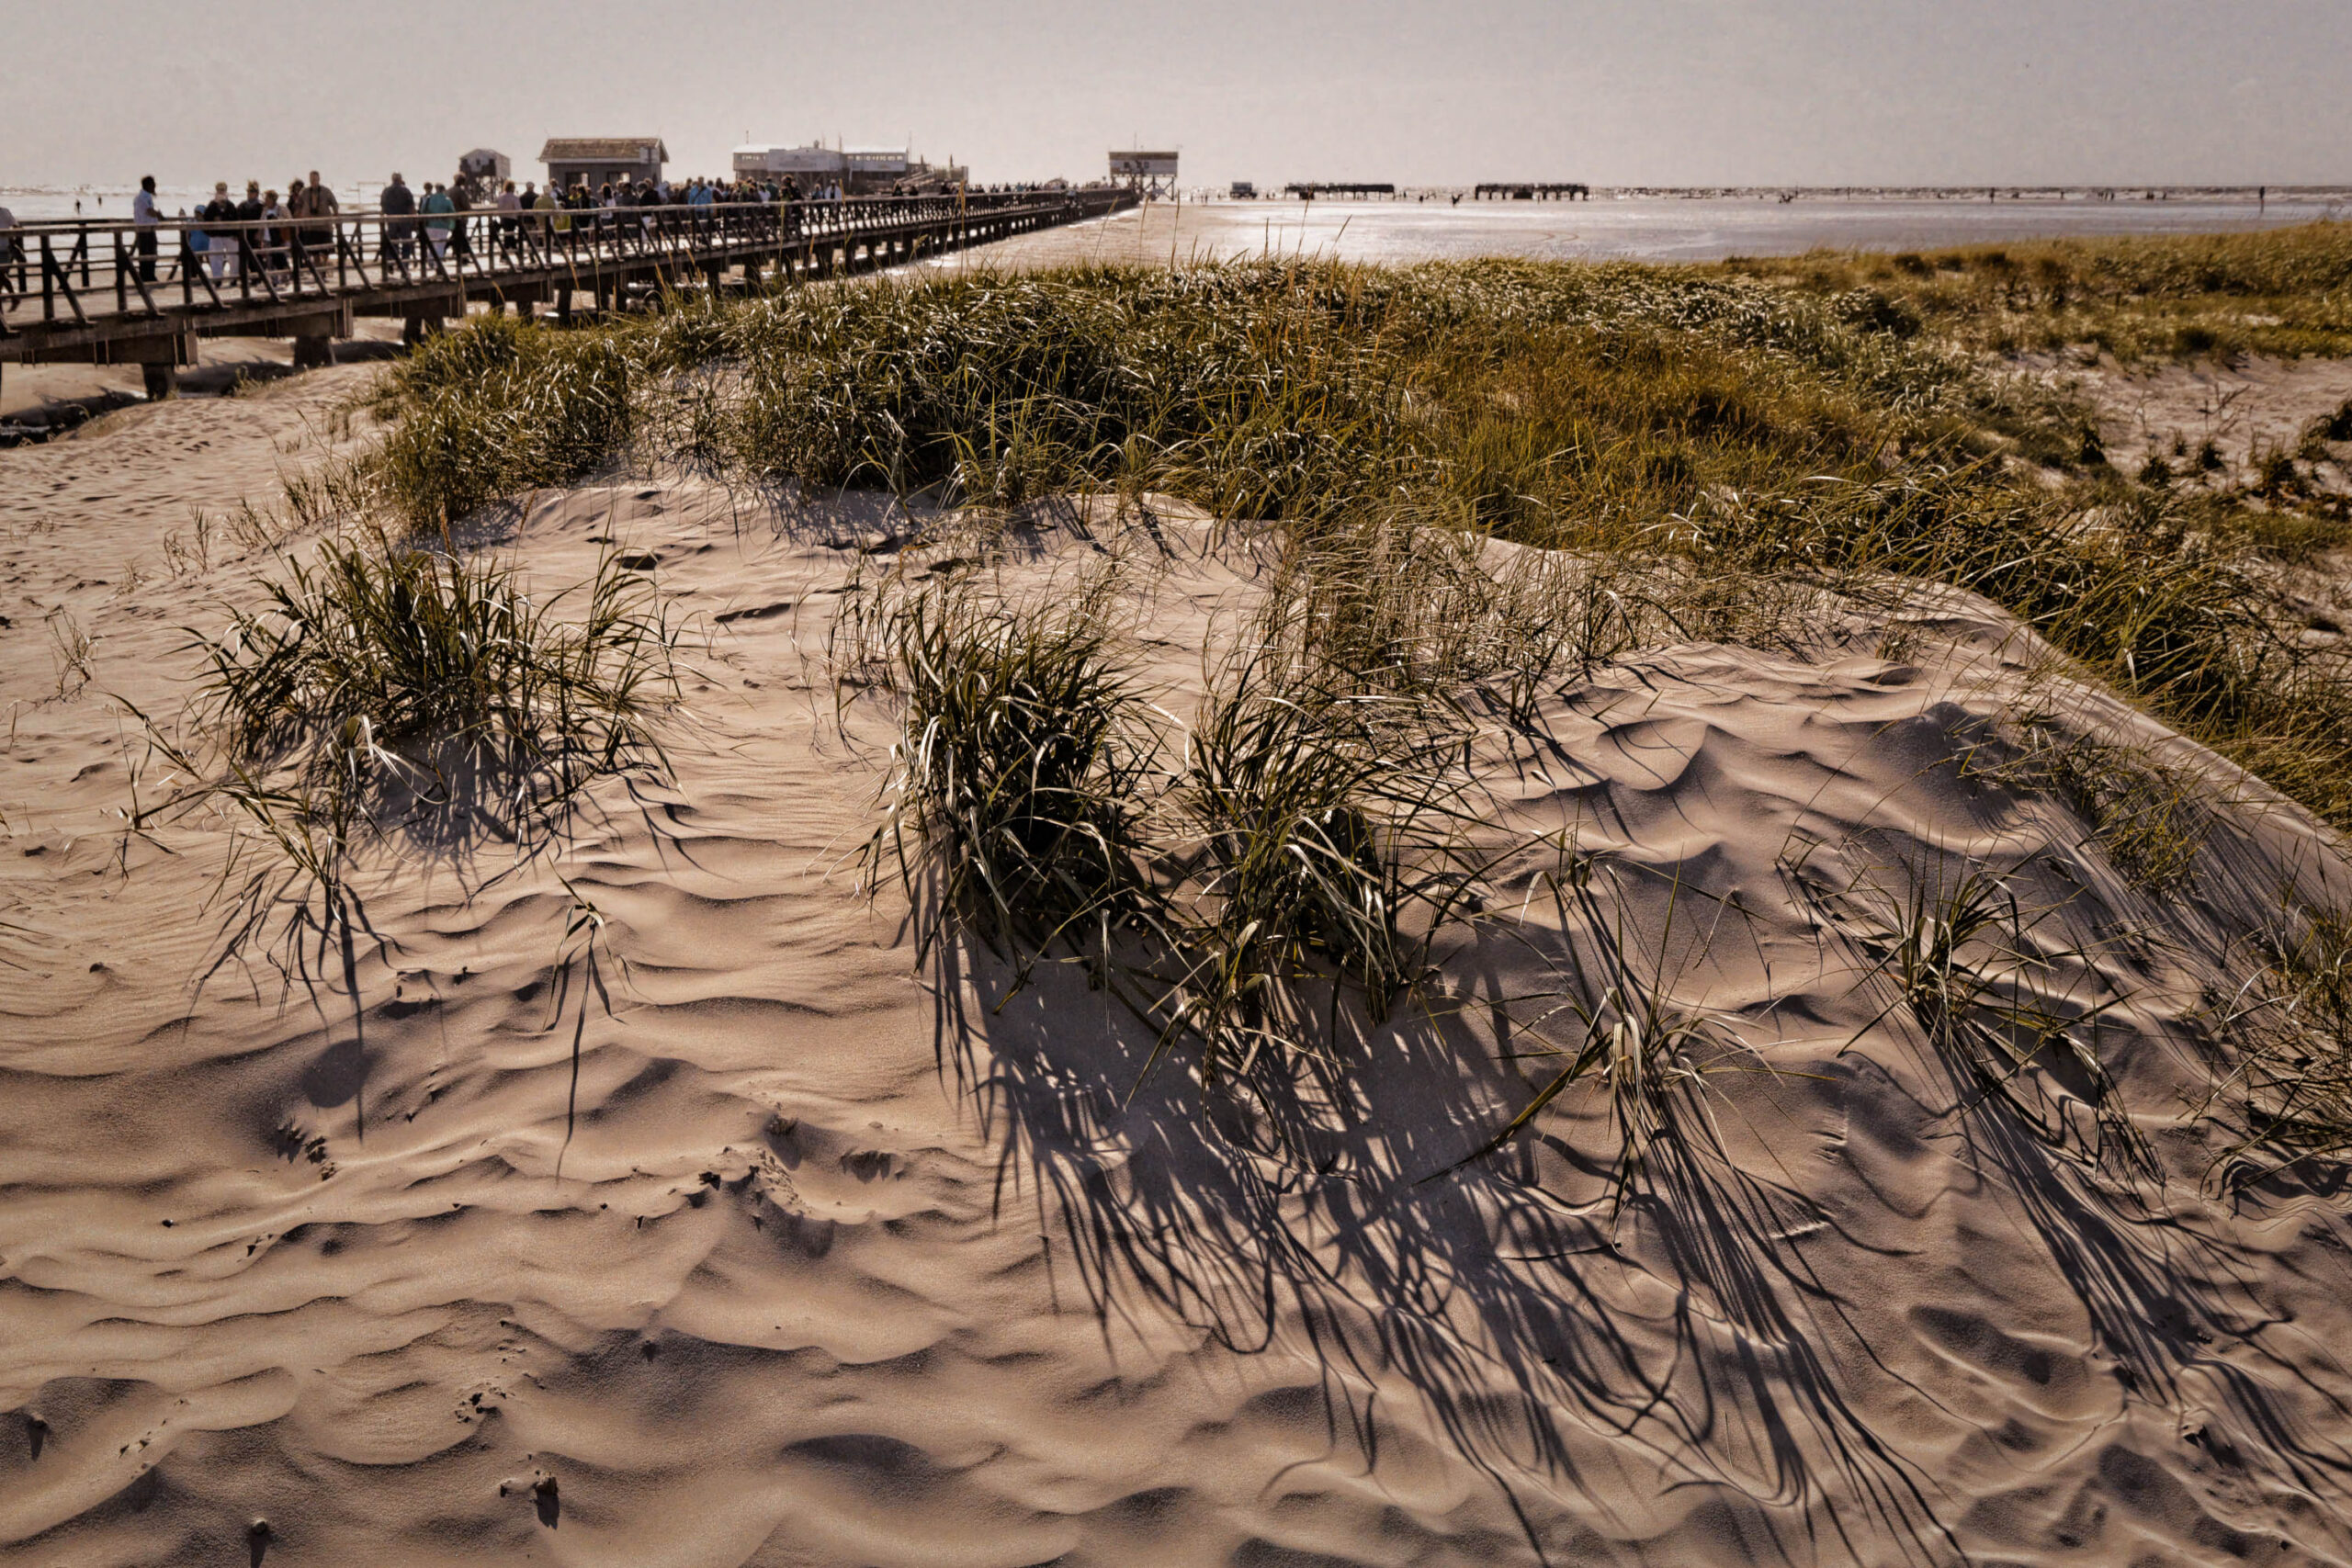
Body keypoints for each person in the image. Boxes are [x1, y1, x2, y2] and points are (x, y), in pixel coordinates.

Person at [131, 175, 161, 283]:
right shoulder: (144, 197)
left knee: (148, 251)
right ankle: (147, 276)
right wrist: (159, 215)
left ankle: (148, 275)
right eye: (153, 184)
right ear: (148, 185)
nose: (155, 186)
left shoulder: (143, 196)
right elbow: (149, 211)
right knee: (148, 252)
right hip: (145, 229)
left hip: (146, 228)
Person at [380, 172, 415, 263]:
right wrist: (413, 220)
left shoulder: (386, 191)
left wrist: (383, 220)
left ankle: (392, 261)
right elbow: (411, 207)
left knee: (392, 242)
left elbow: (383, 208)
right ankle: (405, 262)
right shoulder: (406, 191)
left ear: (392, 179)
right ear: (400, 179)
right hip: (404, 220)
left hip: (391, 220)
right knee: (406, 242)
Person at [234, 180, 263, 277]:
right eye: (249, 191)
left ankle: (257, 277)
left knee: (256, 256)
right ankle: (246, 277)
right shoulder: (242, 205)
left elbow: (263, 219)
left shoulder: (261, 206)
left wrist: (260, 232)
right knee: (244, 256)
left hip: (255, 234)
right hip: (244, 234)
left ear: (257, 193)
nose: (250, 194)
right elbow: (237, 218)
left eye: (252, 192)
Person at [422, 181, 455, 260]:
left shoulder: (429, 199)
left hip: (430, 225)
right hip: (443, 225)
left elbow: (423, 210)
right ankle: (438, 262)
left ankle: (431, 261)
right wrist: (452, 225)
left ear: (436, 189)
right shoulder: (447, 200)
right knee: (440, 245)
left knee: (431, 245)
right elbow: (452, 213)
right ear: (444, 190)